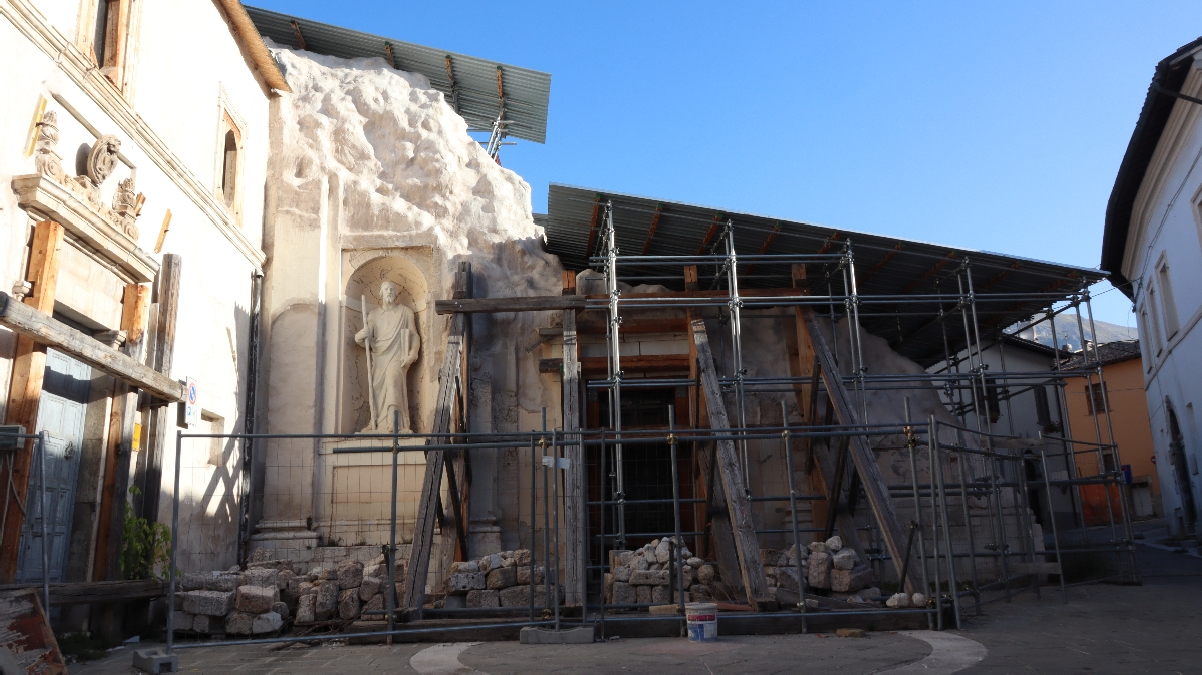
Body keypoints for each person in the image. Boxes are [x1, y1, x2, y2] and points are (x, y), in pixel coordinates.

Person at [355, 281, 420, 432]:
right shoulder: (373, 315)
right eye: (386, 289)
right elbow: (367, 340)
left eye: (392, 289)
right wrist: (359, 336)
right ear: (381, 293)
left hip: (398, 356)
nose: (389, 291)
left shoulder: (405, 312)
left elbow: (414, 335)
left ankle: (395, 423)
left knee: (392, 382)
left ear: (396, 293)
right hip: (379, 357)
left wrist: (413, 352)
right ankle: (376, 422)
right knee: (377, 391)